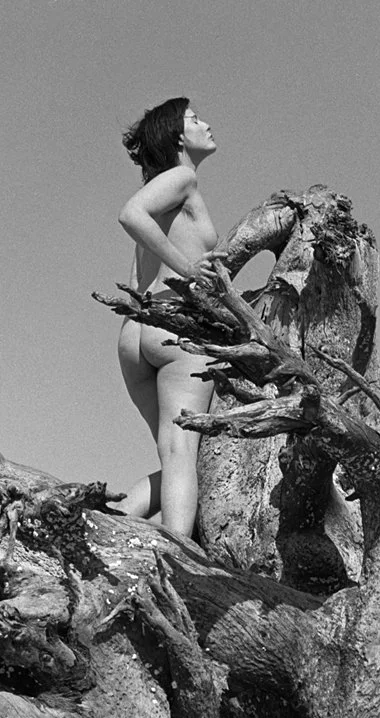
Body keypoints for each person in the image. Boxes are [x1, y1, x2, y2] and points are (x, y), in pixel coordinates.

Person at [116, 98, 221, 538]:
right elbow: (129, 215)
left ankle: (113, 521)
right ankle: (179, 557)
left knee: (175, 456)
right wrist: (188, 268)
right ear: (179, 137)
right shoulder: (182, 177)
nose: (207, 123)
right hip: (173, 327)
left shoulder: (168, 189)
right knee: (181, 452)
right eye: (196, 119)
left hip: (135, 335)